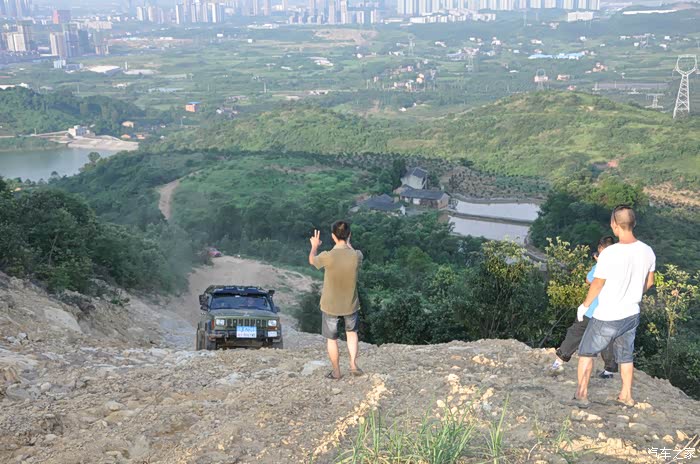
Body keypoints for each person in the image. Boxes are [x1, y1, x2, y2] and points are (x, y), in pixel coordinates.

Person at [573, 205, 655, 407]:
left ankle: (581, 395)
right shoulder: (647, 251)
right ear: (633, 223)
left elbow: (597, 283)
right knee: (626, 355)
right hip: (631, 313)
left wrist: (585, 305)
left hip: (608, 314)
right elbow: (650, 282)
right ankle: (626, 395)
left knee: (586, 352)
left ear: (614, 224)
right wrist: (633, 294)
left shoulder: (609, 253)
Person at [549, 236, 618, 378]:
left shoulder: (601, 265)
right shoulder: (621, 266)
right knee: (607, 339)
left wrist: (598, 263)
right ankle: (610, 370)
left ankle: (558, 362)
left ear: (601, 249)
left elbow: (589, 280)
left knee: (575, 333)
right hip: (609, 312)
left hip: (591, 309)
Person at [308, 221, 364, 380]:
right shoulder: (357, 255)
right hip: (350, 304)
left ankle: (336, 372)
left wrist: (314, 246)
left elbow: (312, 260)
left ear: (333, 236)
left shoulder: (328, 256)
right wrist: (348, 242)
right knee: (352, 334)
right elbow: (351, 251)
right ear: (349, 235)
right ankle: (353, 365)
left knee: (332, 339)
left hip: (330, 305)